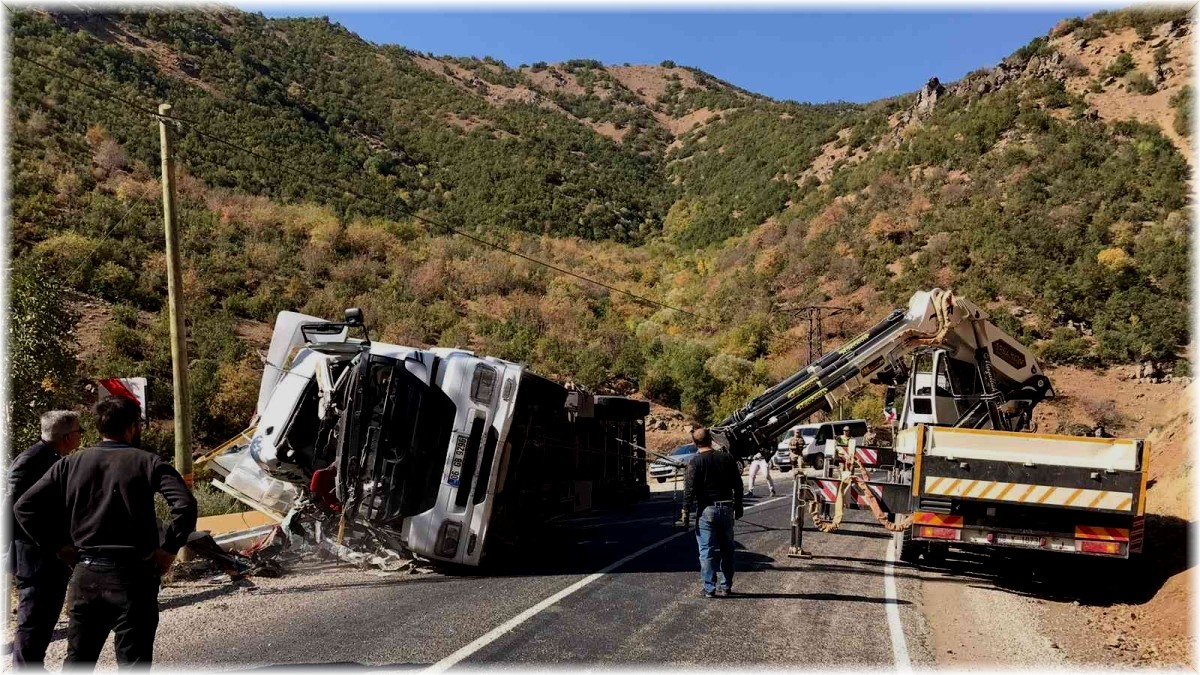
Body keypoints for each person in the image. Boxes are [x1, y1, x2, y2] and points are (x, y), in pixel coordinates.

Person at [15, 397, 197, 669]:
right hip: (134, 577)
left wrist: (58, 546)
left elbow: (24, 507)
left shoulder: (69, 464)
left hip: (85, 576)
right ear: (132, 427)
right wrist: (169, 550)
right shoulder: (148, 462)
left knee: (79, 660)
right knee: (133, 661)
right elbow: (185, 504)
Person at [8, 411, 84, 669]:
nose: (81, 436)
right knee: (32, 624)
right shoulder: (32, 461)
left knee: (42, 624)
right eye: (79, 431)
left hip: (50, 558)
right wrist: (55, 545)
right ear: (67, 437)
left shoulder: (52, 458)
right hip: (36, 558)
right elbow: (15, 511)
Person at [681, 428, 743, 598]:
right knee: (727, 549)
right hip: (726, 507)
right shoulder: (727, 458)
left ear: (695, 443)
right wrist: (739, 506)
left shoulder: (695, 462)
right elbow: (738, 485)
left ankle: (709, 588)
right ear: (711, 439)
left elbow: (689, 489)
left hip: (706, 510)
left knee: (706, 550)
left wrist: (685, 510)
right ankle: (726, 586)